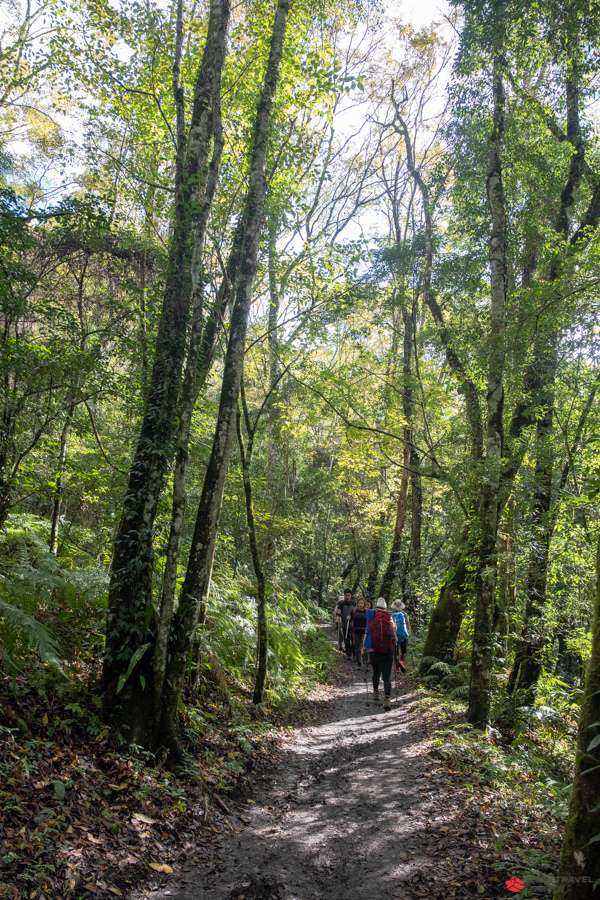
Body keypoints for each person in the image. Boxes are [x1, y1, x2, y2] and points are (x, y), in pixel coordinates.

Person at [368, 597, 397, 711]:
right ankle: (387, 699)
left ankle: (375, 693)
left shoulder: (372, 620)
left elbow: (368, 636)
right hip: (387, 652)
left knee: (376, 672)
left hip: (374, 652)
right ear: (386, 609)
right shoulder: (390, 621)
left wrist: (365, 649)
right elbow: (395, 639)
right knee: (386, 676)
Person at [334, 588, 355, 657]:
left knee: (352, 638)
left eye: (348, 595)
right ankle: (348, 652)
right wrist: (339, 613)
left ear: (351, 595)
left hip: (353, 624)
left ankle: (353, 651)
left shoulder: (354, 603)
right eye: (346, 595)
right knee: (346, 638)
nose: (347, 597)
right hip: (344, 624)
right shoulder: (341, 604)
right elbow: (338, 613)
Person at [391, 599, 410, 673]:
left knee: (395, 651)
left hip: (394, 635)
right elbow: (407, 625)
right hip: (403, 634)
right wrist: (407, 633)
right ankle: (402, 661)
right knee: (404, 651)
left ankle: (397, 667)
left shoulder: (392, 614)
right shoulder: (404, 614)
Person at [350, 597, 368, 668]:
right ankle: (359, 662)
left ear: (364, 604)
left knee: (365, 647)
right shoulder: (354, 611)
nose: (360, 604)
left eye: (362, 603)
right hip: (356, 631)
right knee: (357, 647)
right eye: (359, 603)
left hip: (365, 632)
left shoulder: (367, 611)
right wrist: (348, 618)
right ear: (357, 603)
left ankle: (366, 663)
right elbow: (351, 619)